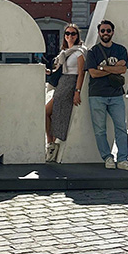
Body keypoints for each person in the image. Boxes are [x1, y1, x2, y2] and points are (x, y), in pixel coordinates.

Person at [85, 20, 128, 171]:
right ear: (99, 33)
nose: (105, 33)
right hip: (97, 95)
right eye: (103, 31)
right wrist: (113, 68)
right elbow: (93, 73)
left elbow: (122, 70)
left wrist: (102, 67)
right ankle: (107, 157)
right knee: (100, 130)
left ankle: (123, 159)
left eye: (108, 30)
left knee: (121, 128)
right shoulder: (93, 51)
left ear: (112, 32)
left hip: (116, 95)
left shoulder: (120, 49)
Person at [45, 24, 86, 162]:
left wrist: (77, 91)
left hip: (70, 84)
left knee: (60, 113)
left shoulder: (80, 52)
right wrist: (50, 72)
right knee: (48, 112)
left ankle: (54, 144)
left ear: (77, 35)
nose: (70, 36)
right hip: (62, 83)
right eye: (67, 33)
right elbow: (60, 70)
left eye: (73, 33)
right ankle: (51, 144)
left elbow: (81, 73)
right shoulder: (65, 52)